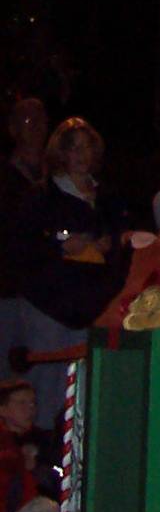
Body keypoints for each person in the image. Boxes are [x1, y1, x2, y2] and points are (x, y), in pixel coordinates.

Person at [13, 119, 130, 427]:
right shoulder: (41, 196)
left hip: (92, 306)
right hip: (49, 304)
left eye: (86, 147)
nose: (81, 155)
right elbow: (21, 246)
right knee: (47, 385)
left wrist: (108, 246)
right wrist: (62, 244)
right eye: (73, 148)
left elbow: (123, 246)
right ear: (61, 154)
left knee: (82, 387)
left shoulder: (108, 198)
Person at [0, 99, 49, 387]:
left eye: (42, 122)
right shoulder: (6, 177)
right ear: (13, 129)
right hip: (8, 288)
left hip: (44, 292)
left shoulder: (56, 176)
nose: (37, 129)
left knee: (39, 368)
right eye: (29, 122)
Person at [0, 377, 59, 512]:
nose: (30, 409)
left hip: (37, 508)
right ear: (3, 409)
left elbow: (60, 476)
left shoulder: (43, 439)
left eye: (33, 403)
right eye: (22, 403)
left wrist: (38, 469)